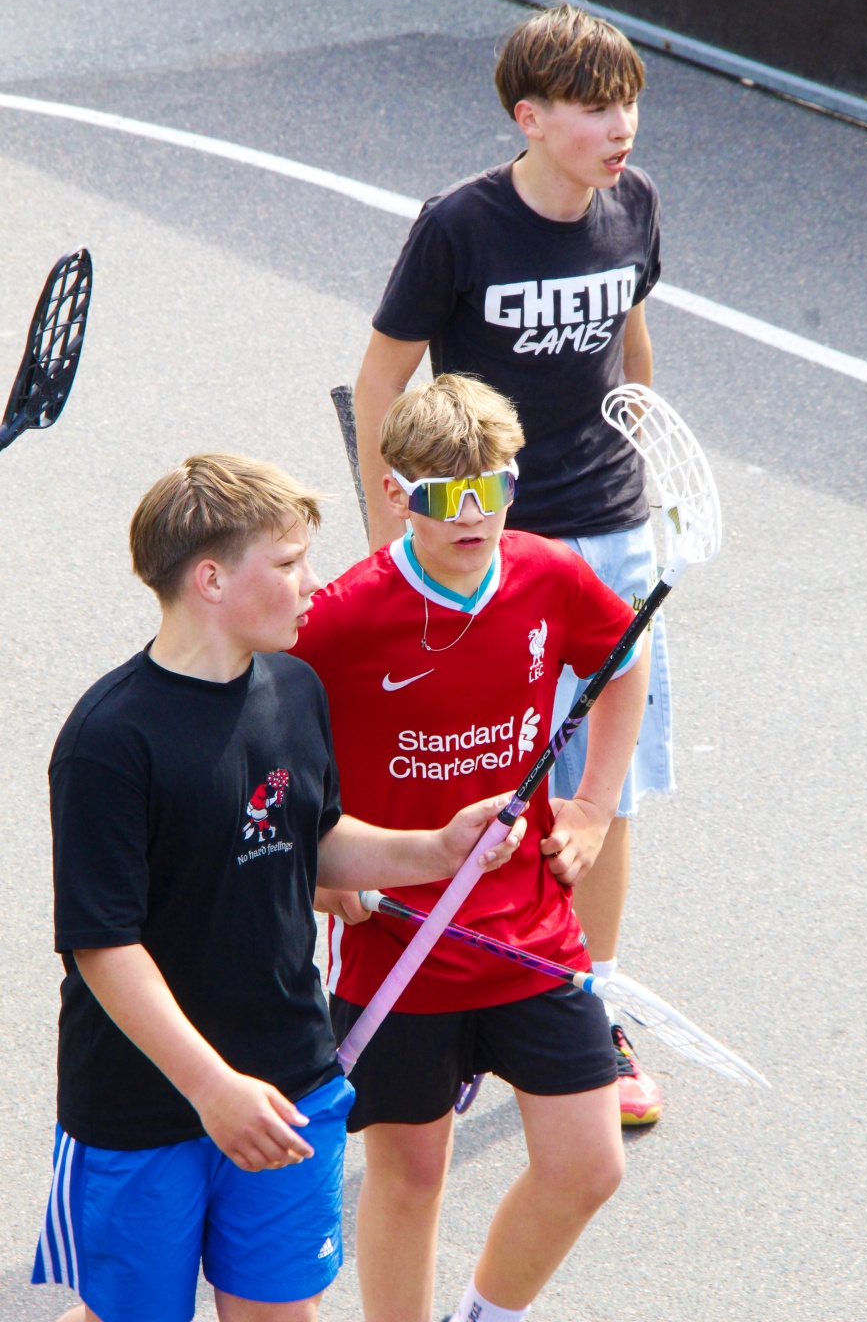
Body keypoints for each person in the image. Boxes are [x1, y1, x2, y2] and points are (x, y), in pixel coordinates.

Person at [33, 453, 522, 1322]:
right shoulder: (109, 741)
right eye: (290, 562)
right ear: (211, 580)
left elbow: (316, 840)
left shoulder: (294, 689)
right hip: (145, 1103)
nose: (313, 584)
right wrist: (212, 1088)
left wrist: (438, 849)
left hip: (292, 1079)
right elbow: (105, 947)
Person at [352, 0, 673, 1125]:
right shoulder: (461, 226)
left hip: (614, 526)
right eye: (593, 108)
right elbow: (383, 377)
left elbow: (630, 336)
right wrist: (391, 536)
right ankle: (457, 1004)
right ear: (530, 118)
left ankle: (590, 1004)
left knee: (603, 790)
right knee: (475, 773)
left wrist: (648, 444)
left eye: (627, 104)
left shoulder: (634, 204)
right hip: (489, 535)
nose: (618, 127)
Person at [296, 375, 648, 1322]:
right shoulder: (340, 617)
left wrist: (593, 805)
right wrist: (321, 872)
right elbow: (264, 753)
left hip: (530, 932)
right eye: (448, 495)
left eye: (493, 489)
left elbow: (623, 663)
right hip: (398, 945)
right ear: (396, 493)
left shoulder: (547, 575)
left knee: (588, 1163)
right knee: (410, 1176)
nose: (474, 515)